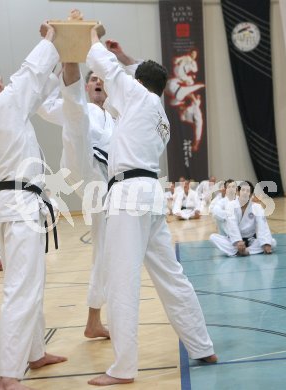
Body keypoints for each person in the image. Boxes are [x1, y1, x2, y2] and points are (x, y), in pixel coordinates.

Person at [86, 26, 217, 386]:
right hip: (150, 195)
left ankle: (124, 368)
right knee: (171, 276)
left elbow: (107, 68)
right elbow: (129, 77)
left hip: (129, 196)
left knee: (122, 281)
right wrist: (128, 58)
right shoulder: (158, 115)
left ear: (138, 83)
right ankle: (201, 345)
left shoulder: (138, 97)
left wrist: (91, 37)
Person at [0, 22, 67, 390]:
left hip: (15, 205)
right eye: (3, 82)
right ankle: (9, 374)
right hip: (20, 205)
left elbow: (36, 88)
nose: (9, 85)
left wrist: (62, 65)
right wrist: (50, 39)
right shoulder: (3, 109)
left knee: (29, 284)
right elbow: (30, 74)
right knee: (21, 289)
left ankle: (34, 353)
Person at [38, 35, 136, 339]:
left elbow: (139, 85)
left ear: (107, 87)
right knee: (76, 114)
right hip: (79, 166)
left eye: (99, 79)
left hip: (104, 186)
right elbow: (42, 105)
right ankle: (70, 62)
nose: (96, 82)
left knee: (104, 250)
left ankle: (93, 320)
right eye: (90, 78)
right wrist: (59, 63)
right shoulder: (82, 108)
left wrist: (121, 56)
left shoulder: (118, 117)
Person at [210, 181, 276, 256]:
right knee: (213, 237)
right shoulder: (231, 205)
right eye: (243, 190)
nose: (245, 193)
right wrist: (238, 241)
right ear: (238, 192)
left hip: (251, 240)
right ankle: (245, 250)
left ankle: (243, 251)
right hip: (234, 241)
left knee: (272, 242)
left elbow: (262, 225)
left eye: (248, 191)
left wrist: (266, 243)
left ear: (251, 194)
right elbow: (232, 224)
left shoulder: (257, 207)